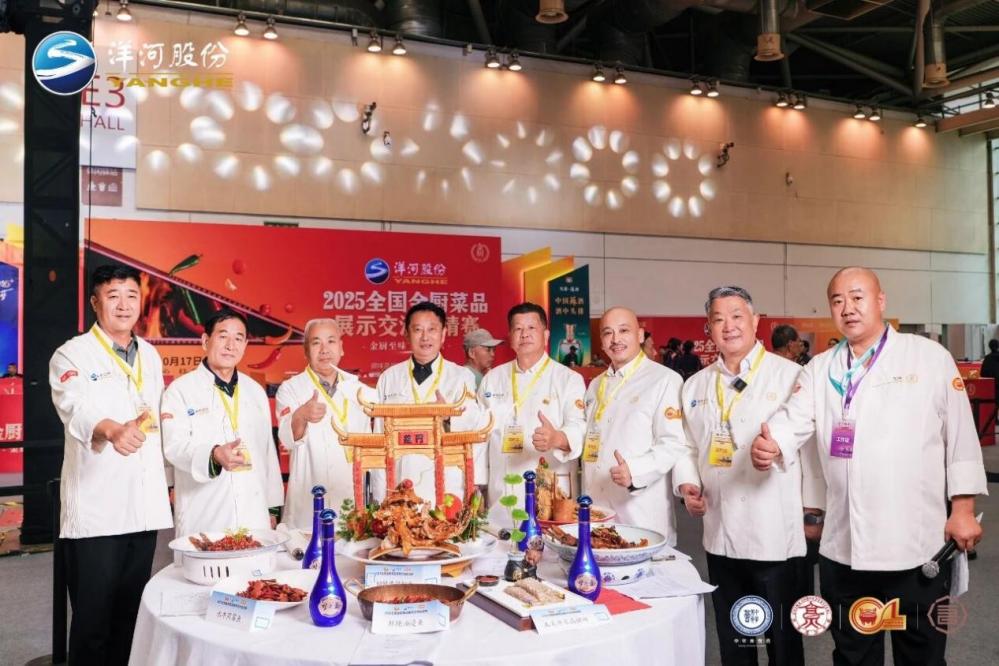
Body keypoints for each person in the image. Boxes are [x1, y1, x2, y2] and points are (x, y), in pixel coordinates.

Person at [752, 267, 987, 666]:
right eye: (838, 301)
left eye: (858, 297)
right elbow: (792, 420)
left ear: (881, 301)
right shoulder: (820, 368)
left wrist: (962, 509)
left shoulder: (928, 357)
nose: (848, 308)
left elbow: (961, 435)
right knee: (853, 655)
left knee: (923, 656)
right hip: (846, 547)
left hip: (916, 545)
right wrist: (770, 443)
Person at [673, 286, 825, 666]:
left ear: (756, 321)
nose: (729, 326)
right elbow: (688, 446)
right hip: (720, 529)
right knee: (734, 640)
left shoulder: (790, 375)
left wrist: (813, 511)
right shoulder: (695, 385)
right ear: (709, 328)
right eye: (719, 319)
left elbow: (811, 449)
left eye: (737, 316)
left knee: (782, 643)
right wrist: (688, 485)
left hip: (775, 529)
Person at [49, 265, 172, 666]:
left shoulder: (150, 354)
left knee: (131, 618)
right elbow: (75, 408)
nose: (123, 304)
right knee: (93, 623)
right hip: (97, 512)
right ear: (95, 302)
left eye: (131, 295)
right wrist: (112, 430)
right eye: (113, 295)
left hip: (143, 507)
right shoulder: (72, 354)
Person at [162, 309, 284, 536]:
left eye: (238, 338)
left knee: (256, 555)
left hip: (254, 511)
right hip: (205, 511)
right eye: (223, 336)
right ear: (205, 341)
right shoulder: (180, 391)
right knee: (207, 555)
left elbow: (268, 452)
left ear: (245, 345)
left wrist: (272, 506)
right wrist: (214, 455)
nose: (231, 345)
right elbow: (174, 447)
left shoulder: (255, 391)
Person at [577, 307, 685, 542]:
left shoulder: (664, 380)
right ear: (602, 341)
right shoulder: (596, 385)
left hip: (640, 511)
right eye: (608, 333)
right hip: (597, 507)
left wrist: (635, 471)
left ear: (640, 335)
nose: (615, 339)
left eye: (624, 330)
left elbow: (673, 443)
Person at [478, 302, 586, 514]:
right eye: (518, 328)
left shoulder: (568, 379)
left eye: (531, 328)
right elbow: (480, 435)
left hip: (550, 490)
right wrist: (477, 483)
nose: (524, 334)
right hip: (502, 490)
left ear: (546, 335)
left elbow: (580, 425)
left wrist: (557, 438)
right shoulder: (492, 379)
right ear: (510, 337)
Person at [376, 301, 485, 500]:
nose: (425, 337)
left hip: (447, 481)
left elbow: (474, 428)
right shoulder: (389, 377)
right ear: (407, 334)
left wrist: (449, 416)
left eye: (432, 329)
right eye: (418, 330)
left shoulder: (461, 376)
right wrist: (379, 494)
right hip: (400, 478)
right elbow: (379, 439)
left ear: (443, 334)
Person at [275, 319, 377, 530]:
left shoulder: (361, 391)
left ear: (341, 348)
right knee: (306, 546)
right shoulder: (291, 388)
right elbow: (287, 439)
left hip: (351, 496)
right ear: (306, 350)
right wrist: (301, 415)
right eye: (316, 343)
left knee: (352, 543)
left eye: (331, 341)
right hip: (307, 498)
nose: (324, 350)